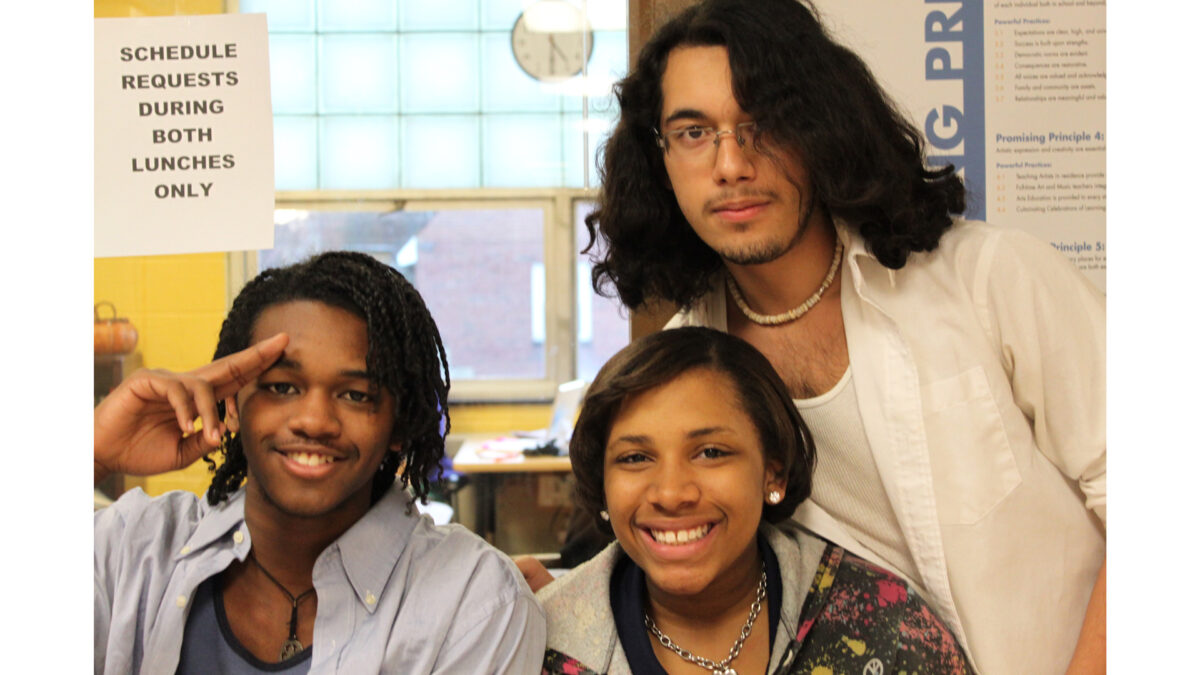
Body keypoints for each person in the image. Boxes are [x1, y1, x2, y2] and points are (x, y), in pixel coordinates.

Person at [577, 1, 1106, 673]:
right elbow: (669, 531)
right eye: (693, 132)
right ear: (660, 156)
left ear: (821, 126)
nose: (731, 163)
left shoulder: (990, 280)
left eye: (761, 124)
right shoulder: (695, 371)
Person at [94, 251, 546, 674]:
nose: (313, 421)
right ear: (230, 403)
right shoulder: (133, 549)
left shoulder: (473, 601)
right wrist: (92, 453)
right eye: (281, 387)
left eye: (355, 395)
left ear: (398, 426)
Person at [539, 327, 971, 674]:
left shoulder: (884, 625)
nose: (671, 493)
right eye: (635, 458)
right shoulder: (543, 645)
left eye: (711, 453)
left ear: (773, 472)